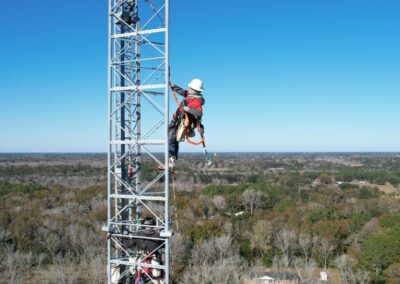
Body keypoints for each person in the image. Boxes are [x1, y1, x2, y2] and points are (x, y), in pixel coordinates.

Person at [160, 78, 205, 172]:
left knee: (171, 139)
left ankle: (170, 162)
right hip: (177, 121)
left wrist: (186, 109)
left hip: (181, 123)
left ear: (194, 89)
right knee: (173, 139)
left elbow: (199, 113)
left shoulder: (196, 101)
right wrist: (172, 85)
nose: (189, 89)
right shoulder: (190, 95)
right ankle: (171, 161)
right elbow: (182, 91)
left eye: (190, 87)